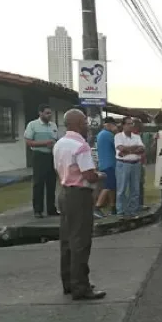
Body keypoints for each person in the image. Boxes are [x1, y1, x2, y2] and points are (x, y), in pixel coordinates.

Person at [54, 108, 106, 301]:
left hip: (65, 192)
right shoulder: (80, 145)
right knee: (81, 242)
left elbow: (58, 169)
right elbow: (89, 175)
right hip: (80, 195)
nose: (87, 125)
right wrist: (100, 175)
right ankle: (81, 287)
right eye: (84, 122)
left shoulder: (59, 144)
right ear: (76, 124)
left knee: (67, 240)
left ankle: (69, 282)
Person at [24, 104, 60, 218]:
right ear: (40, 113)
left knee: (51, 183)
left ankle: (51, 209)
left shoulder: (53, 125)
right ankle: (38, 210)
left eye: (50, 113)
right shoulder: (33, 125)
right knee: (39, 183)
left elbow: (55, 139)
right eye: (47, 113)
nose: (49, 115)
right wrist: (44, 143)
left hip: (51, 156)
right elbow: (28, 142)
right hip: (39, 156)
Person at [114, 117, 146, 218]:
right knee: (122, 189)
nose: (130, 126)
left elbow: (142, 149)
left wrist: (127, 151)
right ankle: (121, 211)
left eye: (132, 124)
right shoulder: (118, 136)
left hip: (136, 164)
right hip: (123, 164)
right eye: (128, 124)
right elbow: (120, 148)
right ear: (123, 125)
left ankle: (132, 211)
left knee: (135, 189)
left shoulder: (136, 137)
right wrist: (134, 148)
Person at [94, 116, 118, 218]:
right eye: (114, 125)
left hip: (104, 163)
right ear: (109, 125)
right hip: (110, 164)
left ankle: (113, 206)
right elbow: (117, 146)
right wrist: (116, 133)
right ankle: (97, 207)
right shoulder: (109, 135)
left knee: (112, 186)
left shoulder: (100, 134)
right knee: (108, 186)